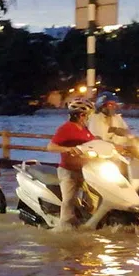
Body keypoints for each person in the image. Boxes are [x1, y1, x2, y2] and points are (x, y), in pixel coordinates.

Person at [46, 98, 95, 230]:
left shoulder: (85, 129)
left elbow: (94, 144)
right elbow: (51, 147)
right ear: (81, 115)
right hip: (68, 170)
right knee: (69, 200)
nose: (89, 117)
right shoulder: (66, 128)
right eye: (88, 115)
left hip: (86, 169)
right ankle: (64, 227)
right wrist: (67, 149)